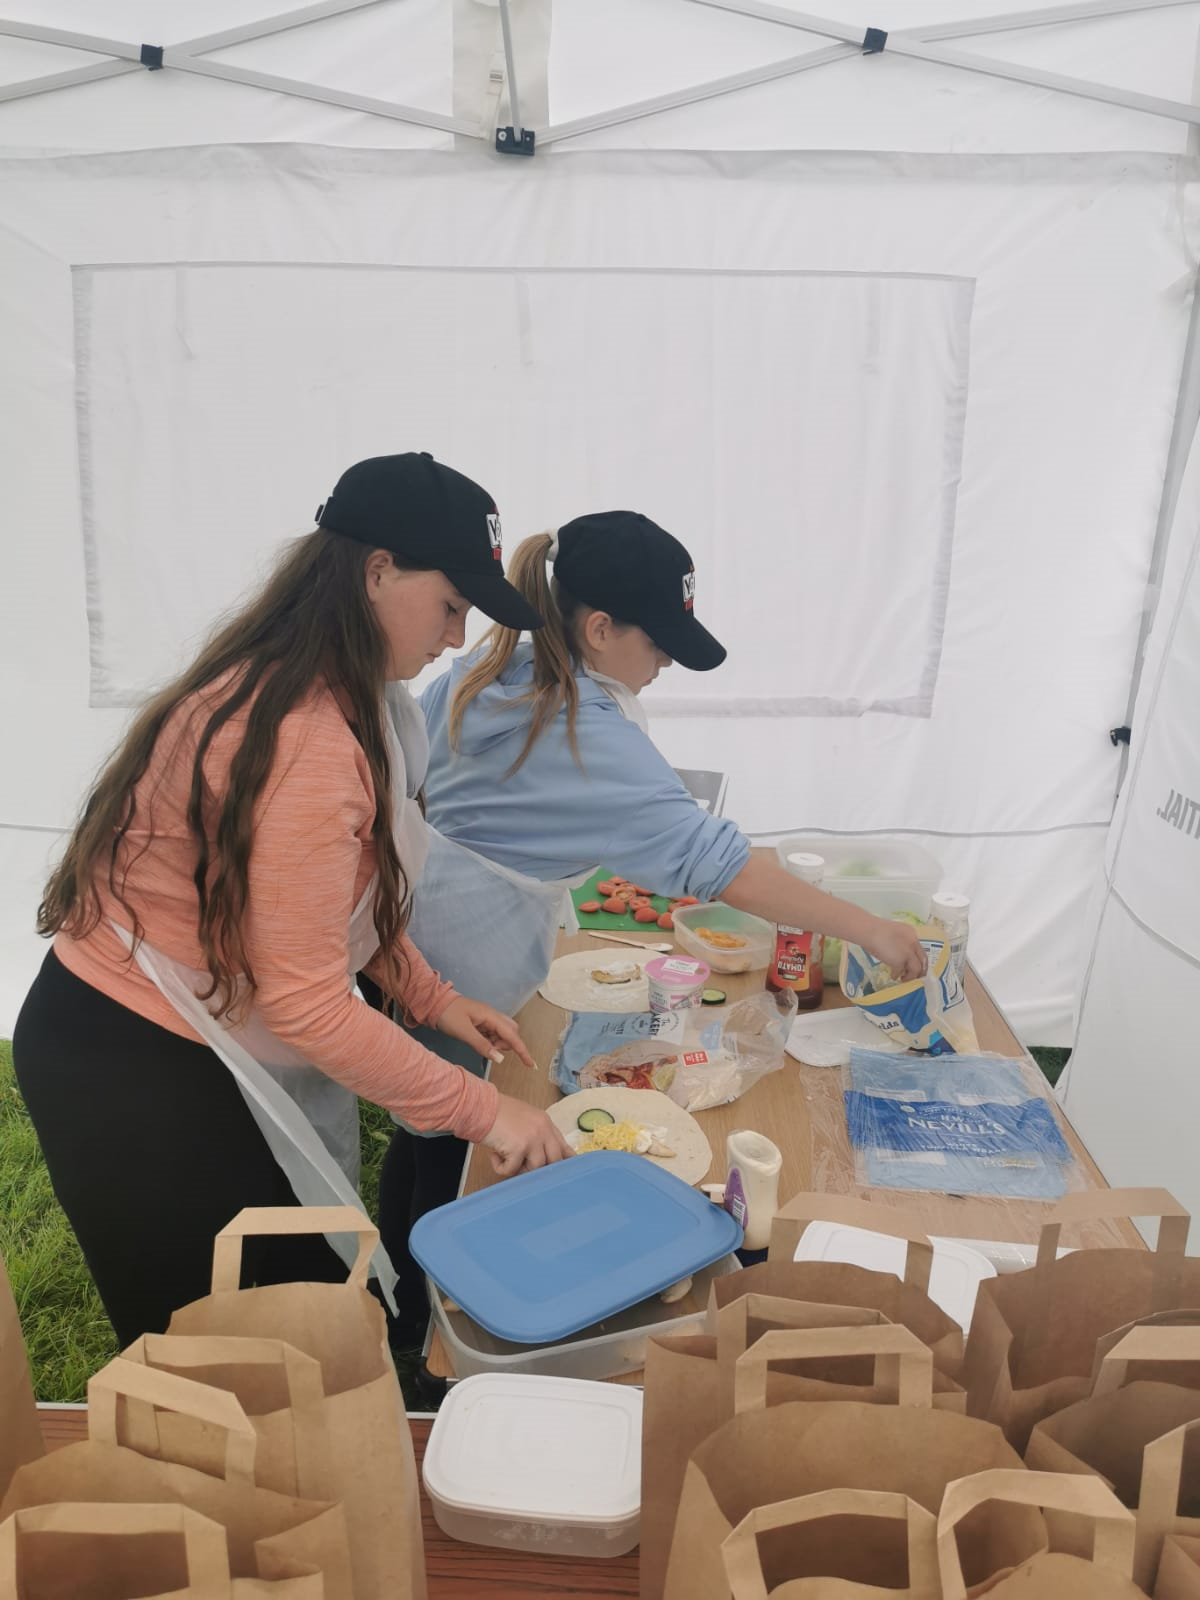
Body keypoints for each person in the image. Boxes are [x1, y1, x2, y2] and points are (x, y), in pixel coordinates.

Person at [12, 452, 571, 1349]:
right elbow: (307, 1002)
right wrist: (485, 1110)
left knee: (305, 1298)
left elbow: (348, 895)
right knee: (217, 1341)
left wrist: (434, 999)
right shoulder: (301, 737)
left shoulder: (350, 697)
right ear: (377, 569)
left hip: (192, 1019)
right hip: (124, 1052)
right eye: (451, 605)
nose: (458, 637)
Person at [378, 509, 927, 1333]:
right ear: (599, 628)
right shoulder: (587, 729)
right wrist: (871, 928)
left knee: (425, 1126)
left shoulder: (487, 670)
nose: (666, 662)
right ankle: (438, 1330)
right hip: (477, 958)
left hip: (423, 936)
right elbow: (727, 868)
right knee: (462, 1149)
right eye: (661, 643)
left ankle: (404, 1308)